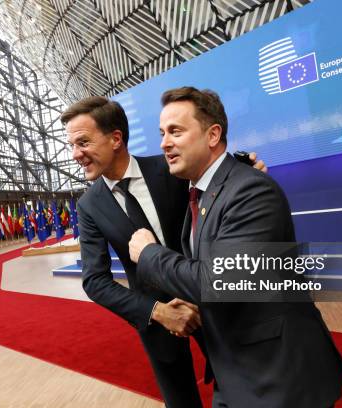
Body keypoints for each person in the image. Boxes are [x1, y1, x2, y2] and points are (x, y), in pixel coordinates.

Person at [129, 87, 342, 407]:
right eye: (162, 133)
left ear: (213, 134)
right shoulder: (201, 192)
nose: (164, 143)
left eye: (175, 131)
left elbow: (219, 281)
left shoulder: (250, 191)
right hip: (235, 371)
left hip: (279, 377)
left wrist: (149, 255)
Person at [61, 96, 266, 407]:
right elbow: (94, 281)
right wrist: (158, 312)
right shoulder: (89, 206)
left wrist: (247, 172)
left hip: (212, 303)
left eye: (83, 142)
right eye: (72, 145)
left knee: (245, 388)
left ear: (116, 138)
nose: (76, 154)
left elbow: (220, 183)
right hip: (157, 321)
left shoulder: (171, 168)